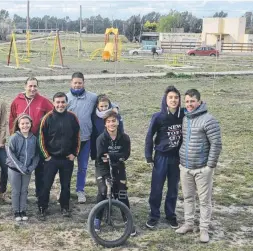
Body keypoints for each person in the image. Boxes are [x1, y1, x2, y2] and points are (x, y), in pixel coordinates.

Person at [175, 89, 222, 243]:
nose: (189, 104)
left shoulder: (209, 120)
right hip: (185, 167)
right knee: (188, 197)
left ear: (199, 102)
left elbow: (216, 143)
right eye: (187, 101)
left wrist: (210, 166)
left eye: (192, 101)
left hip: (203, 169)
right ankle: (189, 223)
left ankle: (204, 229)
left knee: (204, 201)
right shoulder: (185, 118)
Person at [145, 86, 184, 229]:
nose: (173, 100)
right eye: (170, 97)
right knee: (156, 188)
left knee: (173, 188)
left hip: (176, 158)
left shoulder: (184, 114)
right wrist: (148, 156)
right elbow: (150, 136)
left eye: (176, 97)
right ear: (165, 100)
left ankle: (170, 215)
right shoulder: (158, 116)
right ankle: (154, 215)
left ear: (179, 100)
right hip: (161, 157)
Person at [38, 92, 80, 220]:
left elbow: (77, 137)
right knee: (46, 184)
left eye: (63, 102)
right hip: (52, 159)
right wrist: (47, 156)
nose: (60, 105)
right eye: (58, 102)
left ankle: (65, 207)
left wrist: (74, 154)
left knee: (66, 185)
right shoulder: (47, 118)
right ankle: (42, 207)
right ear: (53, 103)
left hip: (67, 159)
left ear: (66, 103)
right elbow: (41, 138)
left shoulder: (72, 117)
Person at [9, 77, 53, 198]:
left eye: (35, 86)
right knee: (22, 168)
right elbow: (12, 119)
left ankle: (40, 195)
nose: (32, 89)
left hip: (37, 140)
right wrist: (13, 135)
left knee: (39, 169)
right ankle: (22, 194)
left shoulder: (43, 101)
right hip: (21, 141)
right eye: (30, 86)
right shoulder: (17, 101)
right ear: (25, 86)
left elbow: (52, 116)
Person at [95, 110, 136, 236]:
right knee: (103, 191)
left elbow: (125, 155)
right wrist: (116, 157)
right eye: (108, 122)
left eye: (114, 121)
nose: (111, 124)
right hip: (103, 168)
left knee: (122, 192)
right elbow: (101, 158)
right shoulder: (101, 139)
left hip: (118, 167)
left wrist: (111, 156)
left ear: (118, 122)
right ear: (105, 124)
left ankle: (127, 219)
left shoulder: (124, 138)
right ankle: (97, 219)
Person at [66, 72, 97, 203]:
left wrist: (115, 107)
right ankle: (64, 190)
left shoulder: (92, 97)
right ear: (71, 83)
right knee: (66, 166)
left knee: (82, 167)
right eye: (75, 82)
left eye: (80, 82)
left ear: (84, 83)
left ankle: (80, 190)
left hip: (85, 139)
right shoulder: (65, 98)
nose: (77, 85)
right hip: (69, 141)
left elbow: (106, 103)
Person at [6, 114, 40, 221]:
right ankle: (16, 211)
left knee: (24, 190)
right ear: (18, 125)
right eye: (22, 123)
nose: (25, 125)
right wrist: (21, 167)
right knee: (16, 191)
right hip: (14, 169)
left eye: (27, 123)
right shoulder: (14, 138)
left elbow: (36, 155)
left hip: (27, 170)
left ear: (31, 124)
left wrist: (31, 167)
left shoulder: (34, 139)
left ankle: (23, 210)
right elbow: (11, 155)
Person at [90, 94, 124, 161]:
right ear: (97, 106)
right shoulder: (94, 117)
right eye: (101, 106)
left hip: (113, 147)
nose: (104, 108)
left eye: (106, 106)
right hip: (100, 146)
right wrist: (94, 153)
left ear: (109, 105)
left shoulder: (115, 115)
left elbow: (121, 130)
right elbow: (93, 134)